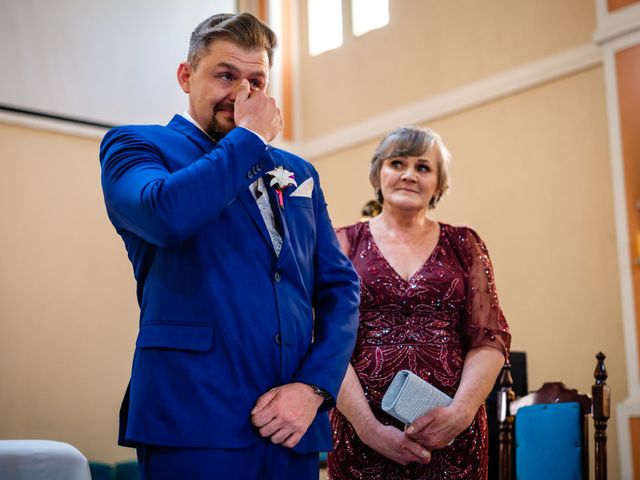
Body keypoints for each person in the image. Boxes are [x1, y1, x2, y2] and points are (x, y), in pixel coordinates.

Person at [99, 12, 360, 480]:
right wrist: (250, 138)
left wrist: (314, 388)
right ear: (186, 75)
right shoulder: (135, 147)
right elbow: (166, 216)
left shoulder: (299, 173)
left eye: (256, 80)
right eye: (225, 75)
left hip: (293, 425)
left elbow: (340, 289)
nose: (242, 93)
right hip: (192, 417)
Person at [327, 126, 511, 479]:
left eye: (423, 168)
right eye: (397, 163)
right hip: (361, 435)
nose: (409, 175)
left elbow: (489, 337)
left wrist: (460, 413)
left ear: (439, 185)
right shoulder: (342, 243)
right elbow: (327, 339)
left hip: (453, 435)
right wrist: (369, 428)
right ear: (378, 174)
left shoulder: (464, 243)